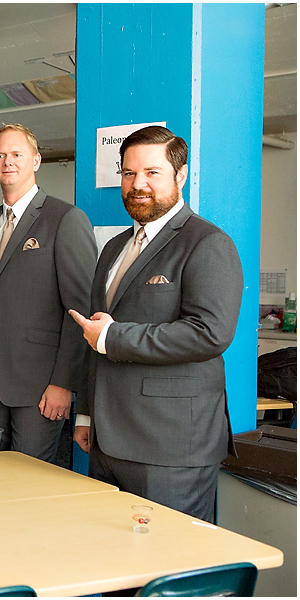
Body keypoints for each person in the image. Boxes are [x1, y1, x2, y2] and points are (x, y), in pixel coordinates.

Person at [69, 125, 242, 522]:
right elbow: (94, 332)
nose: (138, 184)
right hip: (108, 440)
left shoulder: (208, 242)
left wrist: (114, 336)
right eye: (129, 173)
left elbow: (209, 333)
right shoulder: (114, 247)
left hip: (171, 447)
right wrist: (87, 413)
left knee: (167, 570)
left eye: (152, 173)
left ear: (180, 176)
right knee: (115, 564)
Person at [0, 124, 96, 461]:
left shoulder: (65, 218)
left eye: (16, 154)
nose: (7, 161)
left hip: (40, 387)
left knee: (29, 481)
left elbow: (80, 310)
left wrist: (63, 383)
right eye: (0, 155)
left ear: (36, 161)